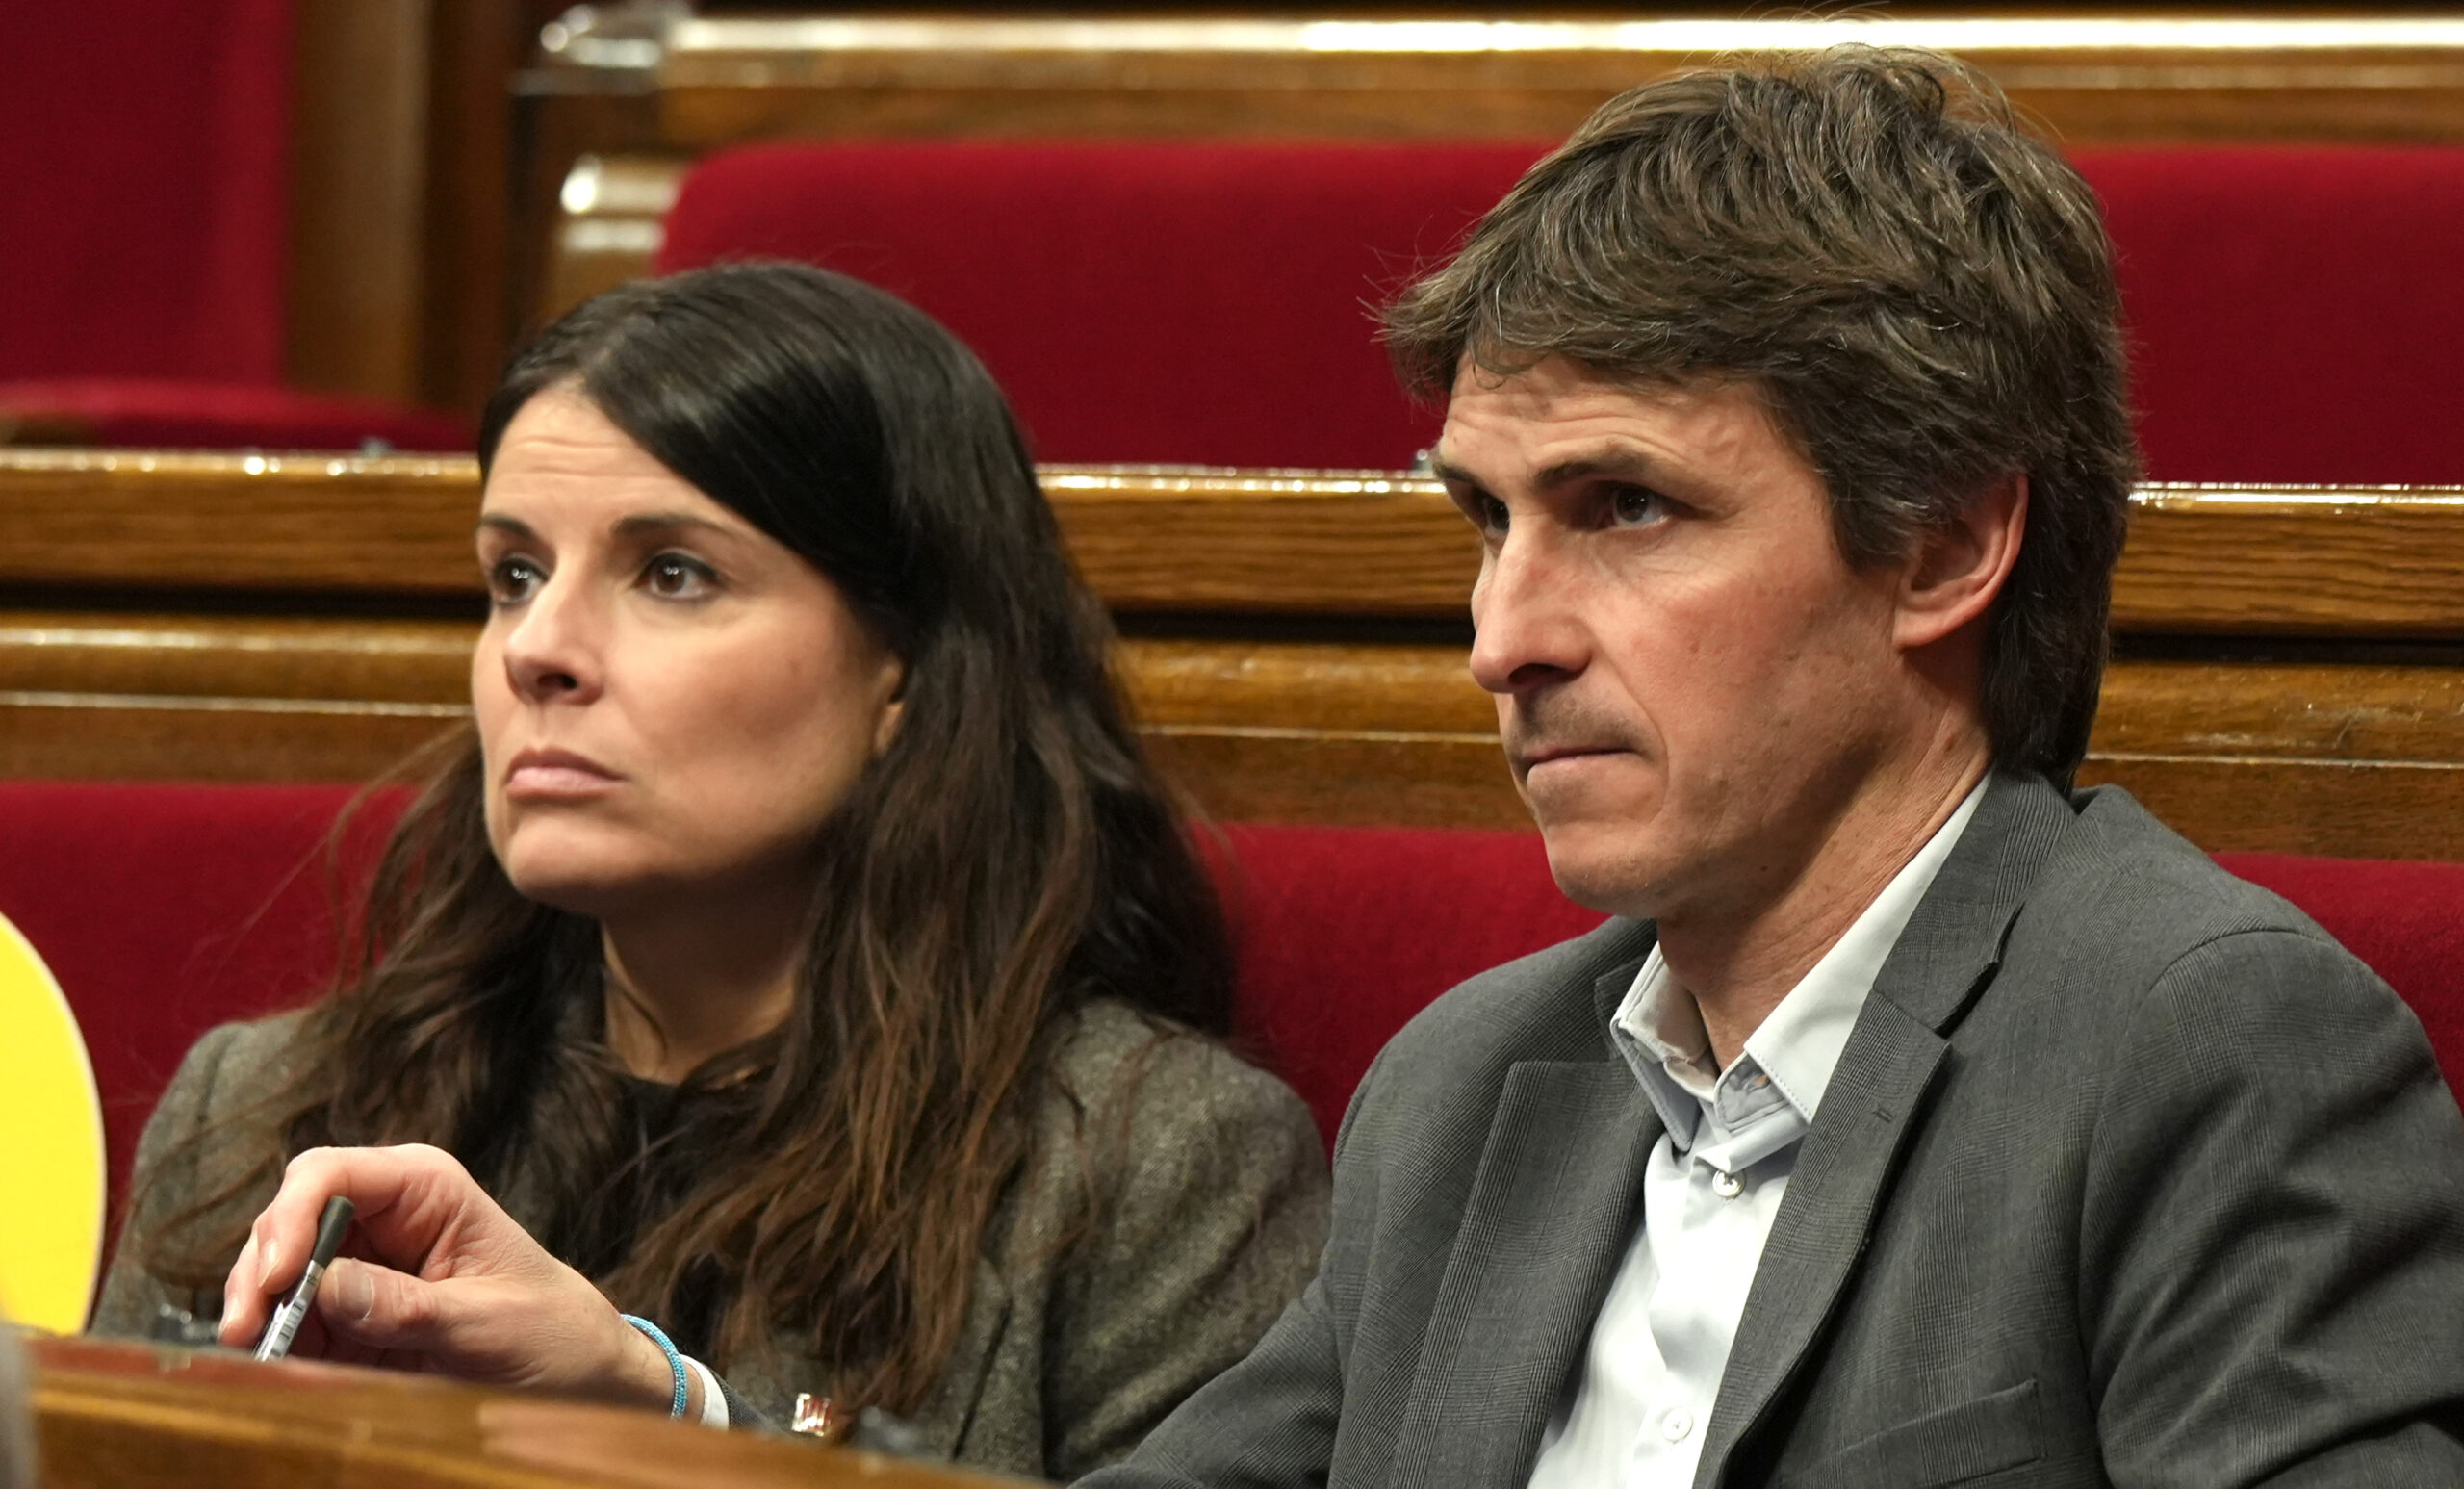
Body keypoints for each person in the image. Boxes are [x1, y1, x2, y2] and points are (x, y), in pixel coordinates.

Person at [222, 46, 2464, 1486]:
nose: (1502, 635)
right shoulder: (1474, 1087)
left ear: (1947, 542)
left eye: (1623, 510)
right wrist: (650, 1409)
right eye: (1485, 522)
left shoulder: (2198, 1043)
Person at [94, 262, 1329, 1478]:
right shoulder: (264, 1109)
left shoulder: (1156, 1167)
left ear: (905, 667)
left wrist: (671, 1414)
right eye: (514, 574)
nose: (537, 649)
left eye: (672, 572)